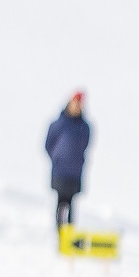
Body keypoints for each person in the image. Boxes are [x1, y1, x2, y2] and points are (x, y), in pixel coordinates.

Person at [45, 92, 90, 230]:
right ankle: (58, 230)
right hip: (60, 169)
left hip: (75, 170)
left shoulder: (84, 127)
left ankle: (70, 232)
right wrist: (57, 157)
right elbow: (48, 144)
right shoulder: (59, 123)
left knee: (71, 203)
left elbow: (86, 145)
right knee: (60, 202)